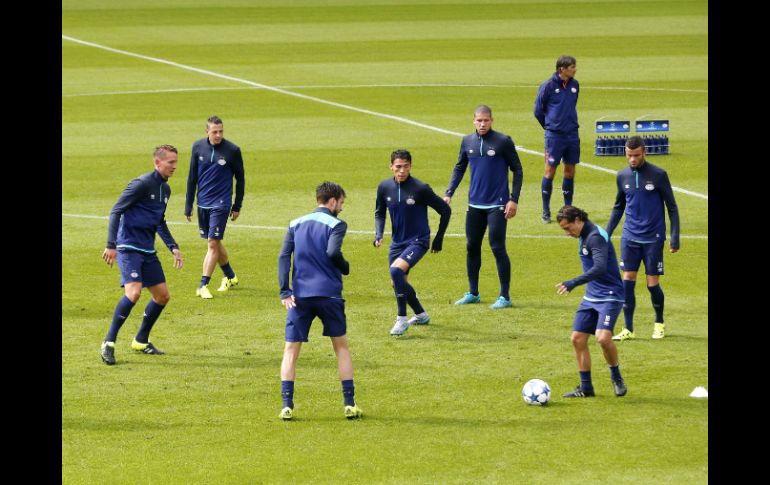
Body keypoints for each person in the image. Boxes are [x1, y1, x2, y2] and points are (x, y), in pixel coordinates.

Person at [277, 181, 362, 420]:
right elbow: (333, 253)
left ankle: (287, 405)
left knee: (291, 350)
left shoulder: (295, 223)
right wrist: (345, 267)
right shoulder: (337, 224)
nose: (342, 208)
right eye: (342, 203)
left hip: (300, 296)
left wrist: (285, 290)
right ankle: (349, 403)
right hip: (329, 295)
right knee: (341, 348)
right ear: (332, 201)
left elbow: (284, 256)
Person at [100, 145, 184, 365]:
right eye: (170, 162)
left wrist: (173, 246)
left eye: (176, 162)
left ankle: (141, 339)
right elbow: (116, 210)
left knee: (162, 296)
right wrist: (111, 245)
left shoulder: (165, 190)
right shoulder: (141, 184)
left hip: (148, 249)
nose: (174, 166)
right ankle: (108, 343)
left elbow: (160, 221)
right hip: (128, 246)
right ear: (157, 163)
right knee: (134, 292)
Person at [444, 104, 523, 309]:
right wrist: (449, 193)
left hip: (497, 204)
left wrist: (513, 199)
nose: (482, 124)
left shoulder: (503, 141)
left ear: (492, 120)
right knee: (472, 247)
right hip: (474, 204)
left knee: (497, 247)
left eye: (486, 120)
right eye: (479, 120)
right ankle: (473, 292)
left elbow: (518, 170)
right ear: (473, 121)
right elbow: (460, 167)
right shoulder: (467, 141)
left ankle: (504, 296)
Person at [606, 135, 680, 341]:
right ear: (625, 153)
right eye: (629, 155)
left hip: (653, 238)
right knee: (627, 281)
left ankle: (659, 323)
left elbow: (672, 207)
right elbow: (618, 207)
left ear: (644, 152)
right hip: (630, 237)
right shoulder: (622, 176)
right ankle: (628, 328)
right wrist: (606, 233)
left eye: (636, 155)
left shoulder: (658, 175)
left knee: (652, 283)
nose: (632, 159)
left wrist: (674, 237)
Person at [374, 149, 452, 336]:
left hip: (418, 240)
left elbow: (445, 210)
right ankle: (421, 314)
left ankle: (401, 319)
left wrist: (438, 238)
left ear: (411, 166)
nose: (402, 170)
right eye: (398, 167)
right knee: (397, 282)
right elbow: (379, 212)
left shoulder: (420, 188)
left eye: (406, 166)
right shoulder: (384, 187)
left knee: (395, 271)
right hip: (397, 242)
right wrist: (378, 234)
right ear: (391, 166)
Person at [555, 205, 627, 398]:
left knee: (603, 338)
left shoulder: (594, 237)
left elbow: (600, 268)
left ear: (578, 220)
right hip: (592, 295)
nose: (567, 233)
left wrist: (573, 282)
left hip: (610, 295)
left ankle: (616, 376)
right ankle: (586, 388)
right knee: (577, 339)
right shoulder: (584, 234)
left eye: (568, 228)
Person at [185, 115, 245, 299]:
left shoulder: (233, 150)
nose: (218, 135)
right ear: (207, 131)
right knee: (215, 242)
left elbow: (240, 179)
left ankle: (203, 285)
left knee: (212, 242)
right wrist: (188, 205)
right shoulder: (198, 147)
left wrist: (237, 206)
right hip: (202, 202)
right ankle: (230, 276)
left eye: (221, 131)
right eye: (214, 132)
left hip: (221, 203)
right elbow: (192, 178)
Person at [534, 55, 580, 224]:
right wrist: (549, 127)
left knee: (569, 171)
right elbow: (538, 110)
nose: (575, 69)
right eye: (572, 67)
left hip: (572, 134)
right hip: (554, 136)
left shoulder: (575, 85)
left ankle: (568, 210)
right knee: (550, 171)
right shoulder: (548, 86)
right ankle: (546, 210)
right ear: (562, 69)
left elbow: (571, 106)